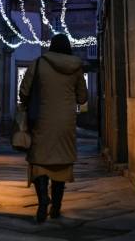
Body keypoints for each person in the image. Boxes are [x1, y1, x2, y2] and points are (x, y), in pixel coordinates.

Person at [19, 34, 88, 223]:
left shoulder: (39, 63)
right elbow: (82, 98)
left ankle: (42, 203)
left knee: (40, 161)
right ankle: (56, 207)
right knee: (61, 164)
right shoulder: (76, 67)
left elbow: (24, 91)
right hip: (65, 123)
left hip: (41, 120)